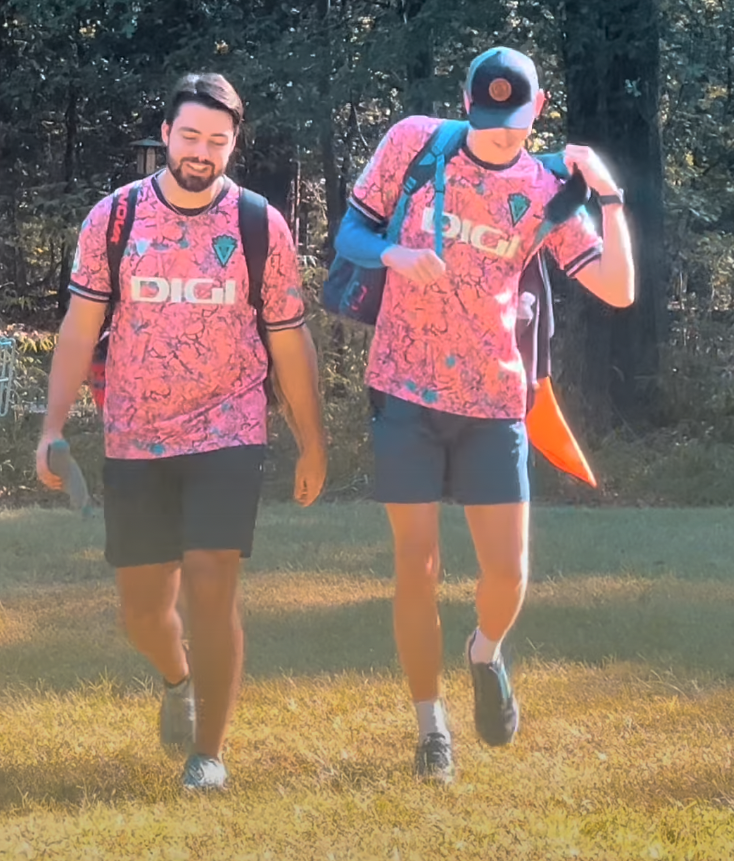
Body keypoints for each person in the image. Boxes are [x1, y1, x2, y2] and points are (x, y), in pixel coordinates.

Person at [335, 47, 634, 783]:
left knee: (507, 571)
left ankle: (484, 651)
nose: (498, 132)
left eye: (513, 120)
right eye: (485, 118)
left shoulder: (545, 189)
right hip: (403, 390)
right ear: (465, 105)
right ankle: (429, 727)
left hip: (495, 400)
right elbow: (348, 237)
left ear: (536, 110)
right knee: (416, 567)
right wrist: (390, 257)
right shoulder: (413, 143)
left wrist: (610, 194)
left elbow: (619, 289)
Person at [36, 73, 327, 793]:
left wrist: (312, 439)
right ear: (165, 134)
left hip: (228, 426)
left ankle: (209, 754)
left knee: (211, 579)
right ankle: (176, 678)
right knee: (142, 608)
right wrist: (50, 427)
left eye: (217, 141)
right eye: (190, 136)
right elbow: (80, 329)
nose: (202, 151)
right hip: (134, 433)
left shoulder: (260, 225)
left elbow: (289, 341)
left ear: (233, 144)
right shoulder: (115, 219)